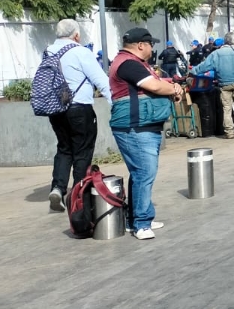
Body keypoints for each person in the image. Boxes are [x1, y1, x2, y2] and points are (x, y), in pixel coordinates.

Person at [109, 28, 182, 240]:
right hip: (135, 127)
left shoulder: (134, 63)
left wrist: (172, 87)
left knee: (140, 173)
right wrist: (174, 89)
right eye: (150, 44)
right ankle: (141, 223)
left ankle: (137, 219)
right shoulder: (128, 64)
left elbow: (158, 84)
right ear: (141, 45)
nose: (152, 48)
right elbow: (153, 86)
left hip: (142, 125)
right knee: (144, 173)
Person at [43, 19, 112, 213]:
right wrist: (116, 103)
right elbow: (101, 80)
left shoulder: (48, 51)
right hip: (79, 108)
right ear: (76, 35)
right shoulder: (81, 52)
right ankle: (78, 195)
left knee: (64, 148)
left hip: (55, 108)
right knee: (82, 151)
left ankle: (57, 188)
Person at [190, 33, 234, 138]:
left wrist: (193, 71)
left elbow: (205, 66)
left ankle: (229, 132)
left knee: (226, 109)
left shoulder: (216, 53)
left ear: (225, 41)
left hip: (224, 84)